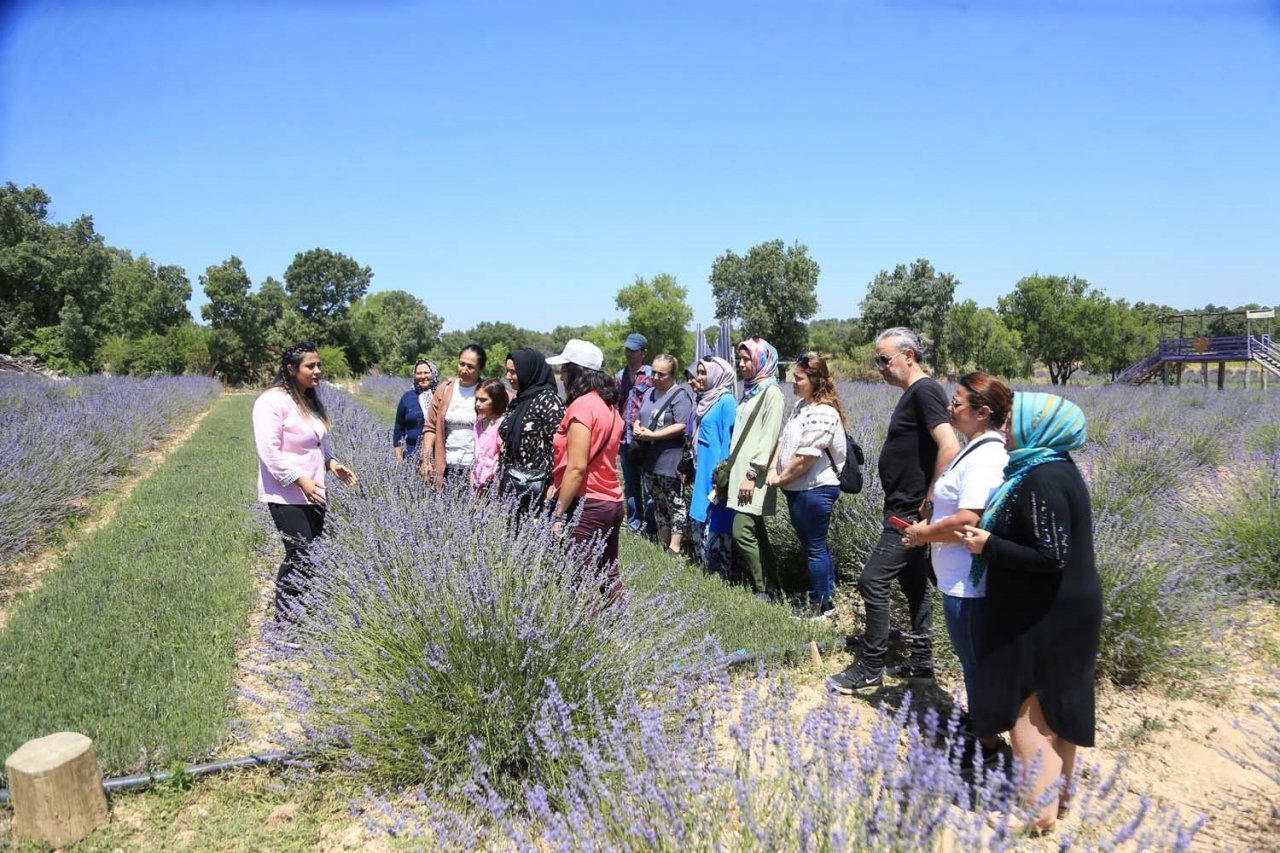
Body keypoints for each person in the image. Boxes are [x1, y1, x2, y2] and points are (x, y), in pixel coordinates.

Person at [959, 392, 1098, 833]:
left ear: (1037, 427)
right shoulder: (1056, 467)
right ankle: (1059, 801)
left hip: (1042, 614)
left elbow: (1050, 554)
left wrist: (989, 545)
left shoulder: (1041, 479)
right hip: (1066, 607)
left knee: (1030, 709)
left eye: (1011, 421)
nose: (1003, 428)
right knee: (1059, 706)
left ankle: (1036, 812)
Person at [828, 327, 959, 694]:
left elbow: (949, 446)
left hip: (909, 512)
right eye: (877, 361)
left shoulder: (925, 391)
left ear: (908, 356)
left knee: (872, 580)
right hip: (902, 506)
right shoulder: (914, 393)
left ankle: (870, 667)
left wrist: (929, 502)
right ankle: (922, 663)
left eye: (885, 359)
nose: (880, 367)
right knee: (914, 585)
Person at [900, 373, 1011, 723]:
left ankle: (983, 736)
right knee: (971, 660)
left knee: (975, 660)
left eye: (957, 403)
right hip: (958, 578)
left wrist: (923, 534)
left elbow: (967, 521)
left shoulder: (985, 457)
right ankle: (982, 725)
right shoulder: (974, 448)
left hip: (968, 583)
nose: (949, 408)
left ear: (983, 412)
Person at [252, 341, 357, 619]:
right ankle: (284, 621)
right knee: (299, 554)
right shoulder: (271, 401)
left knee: (312, 555)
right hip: (286, 493)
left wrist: (332, 464)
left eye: (318, 364)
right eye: (310, 366)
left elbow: (319, 442)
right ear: (291, 369)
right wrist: (301, 481)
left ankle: (304, 613)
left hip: (315, 491)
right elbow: (269, 452)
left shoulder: (307, 398)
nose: (317, 370)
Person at [766, 353, 847, 619]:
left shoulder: (823, 411)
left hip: (814, 489)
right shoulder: (802, 406)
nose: (793, 382)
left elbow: (806, 456)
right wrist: (773, 469)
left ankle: (821, 606)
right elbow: (783, 441)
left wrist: (781, 479)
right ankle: (827, 598)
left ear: (815, 380)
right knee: (815, 546)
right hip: (800, 488)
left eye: (799, 378)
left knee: (814, 548)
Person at [546, 339, 625, 597]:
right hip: (611, 501)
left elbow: (577, 467)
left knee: (579, 581)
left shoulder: (581, 406)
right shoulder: (608, 405)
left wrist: (559, 513)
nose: (562, 376)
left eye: (564, 369)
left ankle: (584, 624)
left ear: (576, 372)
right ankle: (618, 620)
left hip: (587, 503)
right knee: (608, 574)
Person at [726, 337, 787, 596]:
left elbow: (769, 436)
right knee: (757, 532)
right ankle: (773, 586)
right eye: (739, 359)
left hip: (754, 475)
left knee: (741, 531)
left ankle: (762, 588)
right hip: (740, 472)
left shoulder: (772, 393)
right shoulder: (750, 390)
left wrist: (752, 474)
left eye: (747, 359)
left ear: (762, 360)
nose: (741, 364)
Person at [632, 354, 694, 556]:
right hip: (650, 459)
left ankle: (676, 546)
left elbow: (682, 424)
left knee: (675, 502)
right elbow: (640, 415)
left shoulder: (680, 396)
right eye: (654, 373)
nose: (656, 377)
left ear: (672, 375)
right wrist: (637, 426)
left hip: (670, 460)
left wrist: (654, 435)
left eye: (662, 374)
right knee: (658, 503)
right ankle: (663, 541)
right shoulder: (650, 392)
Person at [497, 348, 565, 512]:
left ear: (529, 372)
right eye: (507, 371)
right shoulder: (518, 401)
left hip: (538, 487)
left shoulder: (548, 400)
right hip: (513, 483)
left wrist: (554, 482)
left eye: (513, 372)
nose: (508, 377)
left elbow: (560, 445)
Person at [687, 356, 736, 578]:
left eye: (704, 372)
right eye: (698, 372)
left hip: (716, 474)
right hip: (703, 469)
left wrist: (722, 478)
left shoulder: (726, 402)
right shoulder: (706, 399)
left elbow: (729, 441)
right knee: (700, 519)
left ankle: (719, 575)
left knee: (717, 522)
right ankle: (706, 570)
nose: (699, 377)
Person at [422, 344, 486, 487]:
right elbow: (430, 427)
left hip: (475, 469)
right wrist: (426, 459)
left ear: (480, 369)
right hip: (446, 466)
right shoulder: (444, 390)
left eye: (470, 366)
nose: (464, 369)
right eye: (461, 364)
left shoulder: (487, 392)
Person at [616, 333, 654, 534]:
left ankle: (651, 526)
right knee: (630, 485)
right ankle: (634, 525)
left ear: (643, 352)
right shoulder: (619, 376)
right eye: (627, 350)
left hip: (645, 439)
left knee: (649, 486)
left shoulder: (651, 374)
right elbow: (616, 406)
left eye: (633, 350)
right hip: (625, 439)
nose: (629, 353)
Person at [393, 359, 436, 462]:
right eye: (419, 373)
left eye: (426, 372)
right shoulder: (407, 397)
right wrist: (398, 457)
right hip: (411, 455)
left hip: (436, 456)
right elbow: (399, 429)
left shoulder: (441, 395)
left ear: (433, 373)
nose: (423, 376)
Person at [471, 377, 510, 490]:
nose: (478, 404)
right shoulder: (478, 425)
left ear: (496, 400)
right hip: (477, 481)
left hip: (494, 483)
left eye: (483, 400)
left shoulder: (503, 425)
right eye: (477, 399)